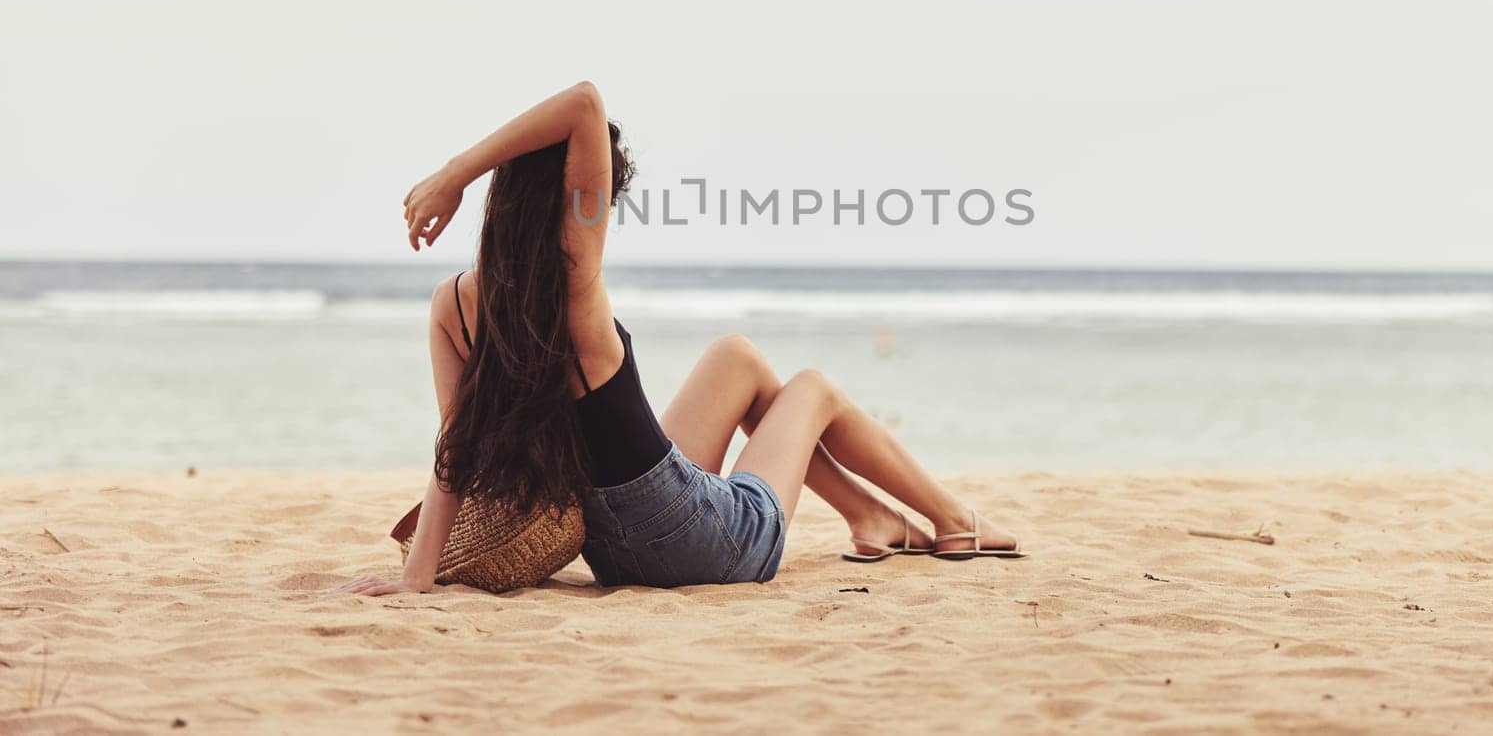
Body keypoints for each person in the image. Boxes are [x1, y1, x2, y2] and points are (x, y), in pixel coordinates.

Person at [333, 82, 1021, 595]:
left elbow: (454, 452)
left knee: (737, 357)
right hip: (698, 541)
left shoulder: (452, 306)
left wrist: (417, 578)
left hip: (608, 547)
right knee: (811, 388)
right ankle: (953, 517)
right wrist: (454, 173)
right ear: (571, 199)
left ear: (506, 195)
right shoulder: (575, 275)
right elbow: (583, 103)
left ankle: (871, 517)